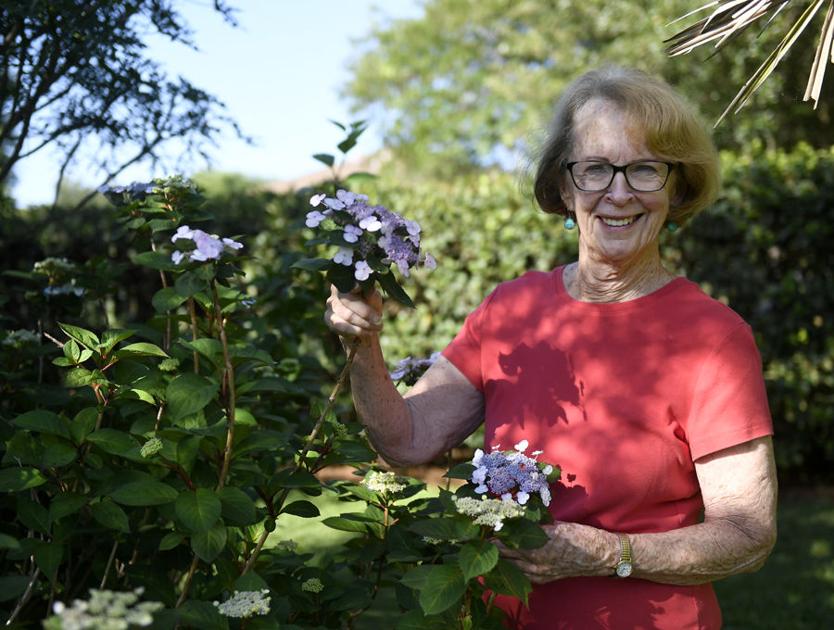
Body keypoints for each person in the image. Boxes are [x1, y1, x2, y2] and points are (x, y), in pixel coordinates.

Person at [324, 66, 777, 630]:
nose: (618, 192)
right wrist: (363, 346)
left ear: (676, 187)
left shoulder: (714, 337)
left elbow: (747, 534)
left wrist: (611, 554)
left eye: (644, 169)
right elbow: (406, 440)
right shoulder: (512, 308)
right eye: (594, 169)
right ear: (564, 187)